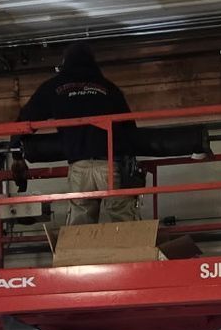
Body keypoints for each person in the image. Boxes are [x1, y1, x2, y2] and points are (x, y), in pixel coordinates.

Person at [20, 45, 141, 228]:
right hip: (109, 164)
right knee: (122, 215)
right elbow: (129, 127)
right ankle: (134, 255)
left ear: (65, 63)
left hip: (79, 166)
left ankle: (80, 256)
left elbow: (27, 118)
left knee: (80, 221)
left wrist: (16, 148)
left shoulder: (54, 86)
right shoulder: (108, 87)